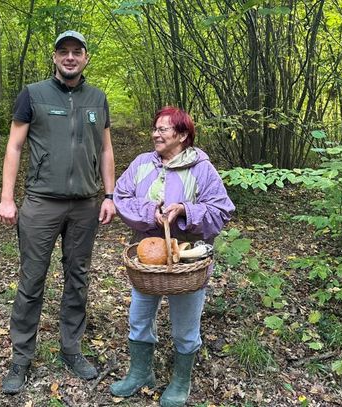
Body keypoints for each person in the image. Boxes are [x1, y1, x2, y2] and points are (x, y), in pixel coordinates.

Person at [0, 30, 116, 395]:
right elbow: (15, 146)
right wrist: (7, 197)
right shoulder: (33, 95)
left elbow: (107, 150)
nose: (70, 57)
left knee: (77, 277)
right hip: (41, 203)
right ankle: (21, 357)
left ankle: (71, 349)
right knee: (32, 279)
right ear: (54, 57)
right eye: (63, 51)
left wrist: (109, 195)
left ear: (86, 57)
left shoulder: (97, 98)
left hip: (85, 204)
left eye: (76, 52)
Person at [110, 106, 235, 407]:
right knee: (139, 318)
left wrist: (184, 210)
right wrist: (149, 212)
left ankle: (181, 381)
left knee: (185, 327)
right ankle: (140, 373)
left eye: (163, 129)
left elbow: (221, 210)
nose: (155, 133)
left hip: (188, 262)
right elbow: (121, 196)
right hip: (147, 258)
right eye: (155, 128)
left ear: (182, 135)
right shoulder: (142, 164)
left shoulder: (202, 168)